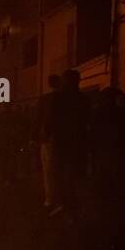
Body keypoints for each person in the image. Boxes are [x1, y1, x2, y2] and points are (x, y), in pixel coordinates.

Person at [47, 69, 89, 217]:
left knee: (60, 173)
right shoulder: (83, 99)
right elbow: (87, 122)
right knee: (74, 174)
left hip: (62, 142)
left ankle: (65, 204)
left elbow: (51, 120)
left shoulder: (58, 99)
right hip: (77, 142)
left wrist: (46, 136)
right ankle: (73, 205)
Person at [33, 75, 61, 209]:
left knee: (48, 171)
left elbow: (38, 120)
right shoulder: (65, 99)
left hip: (49, 139)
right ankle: (61, 198)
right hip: (64, 139)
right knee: (61, 170)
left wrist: (36, 138)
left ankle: (50, 199)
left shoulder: (45, 99)